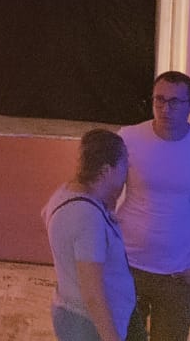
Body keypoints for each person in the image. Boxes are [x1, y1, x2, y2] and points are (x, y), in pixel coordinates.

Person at [117, 71, 190, 341]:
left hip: (178, 276)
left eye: (175, 102)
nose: (165, 109)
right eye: (159, 100)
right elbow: (105, 196)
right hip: (127, 265)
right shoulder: (129, 139)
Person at [46, 129, 135, 341]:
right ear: (106, 171)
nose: (128, 170)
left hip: (73, 314)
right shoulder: (87, 217)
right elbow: (92, 293)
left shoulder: (65, 193)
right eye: (124, 164)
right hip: (87, 325)